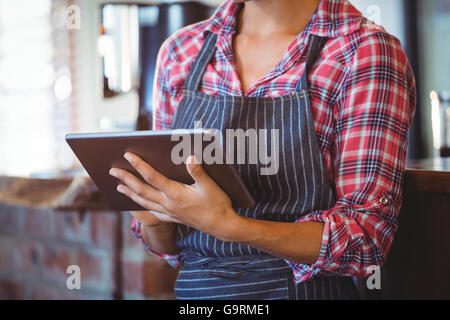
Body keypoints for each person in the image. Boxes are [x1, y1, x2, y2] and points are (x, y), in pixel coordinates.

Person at [109, 0, 416, 299]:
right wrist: (154, 218)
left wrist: (234, 227)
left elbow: (366, 238)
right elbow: (168, 248)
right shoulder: (181, 52)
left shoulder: (364, 51)